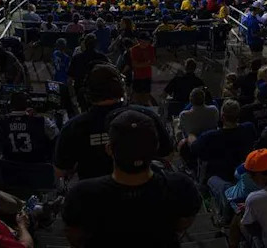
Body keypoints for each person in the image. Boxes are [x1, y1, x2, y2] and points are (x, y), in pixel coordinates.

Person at [62, 110, 201, 248]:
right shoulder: (181, 187)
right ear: (156, 147)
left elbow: (74, 235)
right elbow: (185, 221)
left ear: (109, 149)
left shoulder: (81, 195)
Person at [54, 65, 172, 180]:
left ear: (87, 93)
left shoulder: (74, 127)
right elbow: (166, 154)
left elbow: (60, 171)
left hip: (93, 195)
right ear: (121, 88)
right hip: (143, 194)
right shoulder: (145, 116)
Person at [190, 100, 256, 182]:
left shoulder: (210, 136)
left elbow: (194, 148)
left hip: (219, 177)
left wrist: (191, 136)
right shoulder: (249, 128)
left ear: (222, 117)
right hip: (244, 172)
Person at [0, 92, 58, 163]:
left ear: (10, 105)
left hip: (10, 166)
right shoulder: (42, 121)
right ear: (27, 105)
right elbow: (56, 135)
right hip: (37, 167)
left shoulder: (1, 122)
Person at [129, 33, 156, 105]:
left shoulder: (151, 48)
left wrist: (141, 64)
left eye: (148, 41)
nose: (146, 43)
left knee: (146, 95)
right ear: (139, 41)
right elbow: (135, 64)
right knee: (137, 95)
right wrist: (146, 63)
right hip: (138, 76)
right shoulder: (134, 49)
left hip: (148, 75)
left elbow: (153, 62)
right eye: (144, 41)